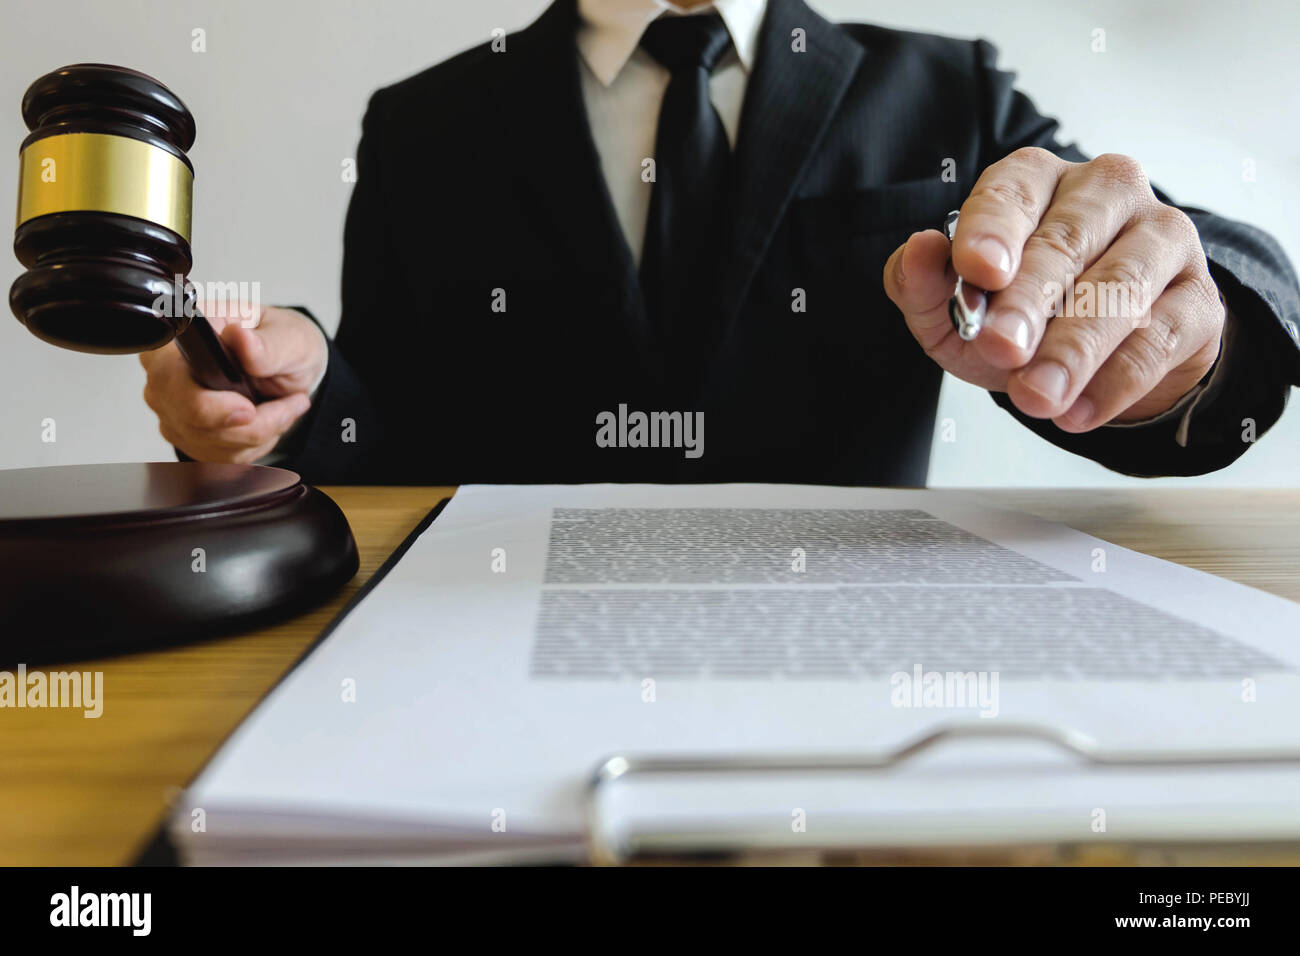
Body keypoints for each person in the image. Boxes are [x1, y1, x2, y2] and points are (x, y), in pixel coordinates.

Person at [140, 0, 1300, 485]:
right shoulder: (423, 121)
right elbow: (381, 426)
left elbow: (1149, 254)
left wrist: (1194, 334)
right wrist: (293, 396)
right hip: (491, 651)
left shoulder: (945, 90)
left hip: (849, 661)